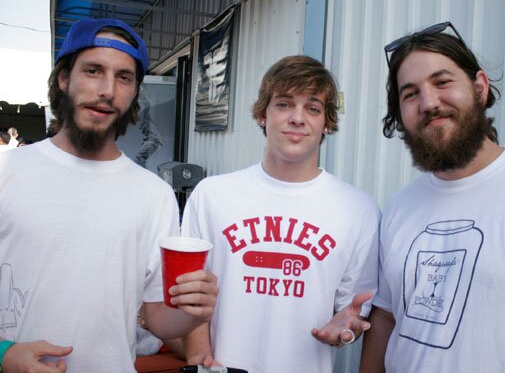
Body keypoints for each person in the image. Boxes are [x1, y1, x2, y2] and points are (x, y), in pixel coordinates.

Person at [359, 22, 505, 372]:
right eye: (410, 94)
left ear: (480, 87)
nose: (428, 103)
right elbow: (386, 318)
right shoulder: (400, 206)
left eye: (442, 82)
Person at [0, 18, 218, 373]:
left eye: (124, 77)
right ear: (63, 78)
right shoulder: (7, 173)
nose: (107, 90)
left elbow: (159, 321)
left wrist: (194, 310)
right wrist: (4, 354)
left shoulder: (155, 195)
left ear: (134, 93)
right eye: (92, 70)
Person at [178, 55, 380, 373]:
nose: (297, 118)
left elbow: (351, 314)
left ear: (327, 122)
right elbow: (189, 295)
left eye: (312, 108)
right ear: (262, 114)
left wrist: (346, 330)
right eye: (284, 104)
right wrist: (201, 359)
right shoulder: (212, 195)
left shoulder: (359, 210)